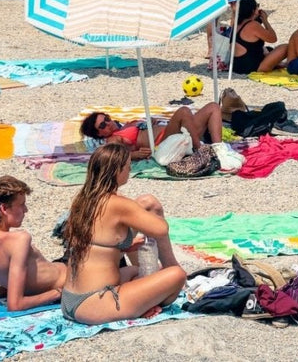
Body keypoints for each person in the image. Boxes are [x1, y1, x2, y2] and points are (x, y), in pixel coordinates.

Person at [59, 144, 186, 324]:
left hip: (70, 300)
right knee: (176, 275)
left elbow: (98, 249)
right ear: (117, 171)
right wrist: (133, 214)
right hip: (95, 303)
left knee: (135, 271)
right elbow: (160, 229)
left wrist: (125, 242)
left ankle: (143, 299)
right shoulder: (118, 204)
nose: (130, 169)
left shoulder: (82, 201)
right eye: (127, 166)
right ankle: (157, 291)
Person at [0, 176, 68, 311]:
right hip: (71, 277)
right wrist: (58, 293)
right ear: (4, 208)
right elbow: (15, 305)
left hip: (60, 268)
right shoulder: (19, 240)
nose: (26, 210)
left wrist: (9, 289)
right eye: (22, 204)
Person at [80, 105, 223, 161]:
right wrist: (134, 155)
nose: (108, 123)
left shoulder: (124, 126)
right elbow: (113, 157)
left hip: (177, 133)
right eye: (103, 125)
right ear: (99, 134)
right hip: (164, 142)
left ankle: (218, 147)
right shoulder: (113, 139)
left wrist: (149, 123)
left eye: (107, 118)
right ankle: (200, 150)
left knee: (213, 107)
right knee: (183, 111)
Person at [230, 0, 290, 74]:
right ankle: (292, 67)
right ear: (253, 10)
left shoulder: (235, 23)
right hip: (252, 67)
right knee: (286, 47)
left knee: (268, 49)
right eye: (257, 6)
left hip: (237, 66)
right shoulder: (253, 25)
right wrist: (265, 20)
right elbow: (273, 38)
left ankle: (280, 64)